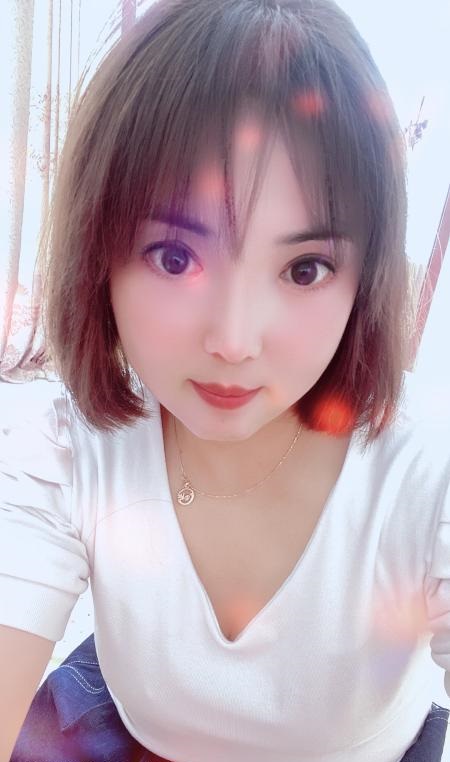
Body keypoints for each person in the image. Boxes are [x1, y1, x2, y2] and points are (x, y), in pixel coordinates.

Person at [1, 0, 449, 760]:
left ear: (365, 278)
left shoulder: (425, 475)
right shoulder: (65, 452)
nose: (234, 342)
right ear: (99, 251)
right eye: (175, 258)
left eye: (305, 269)